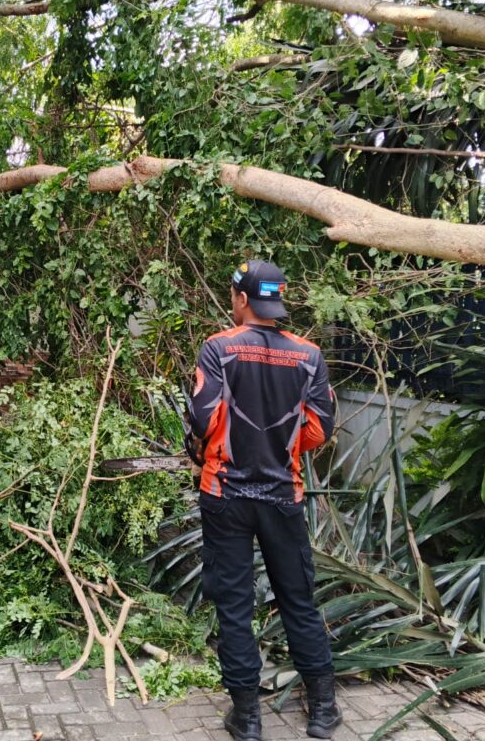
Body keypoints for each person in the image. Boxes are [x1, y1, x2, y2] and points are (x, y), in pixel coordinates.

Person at [186, 260, 340, 741]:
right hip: (282, 496)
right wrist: (285, 450)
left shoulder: (218, 349)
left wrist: (203, 455)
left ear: (242, 299)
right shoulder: (309, 355)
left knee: (234, 606)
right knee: (297, 600)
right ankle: (322, 710)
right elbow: (320, 427)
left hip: (225, 495)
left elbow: (203, 419)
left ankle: (248, 718)